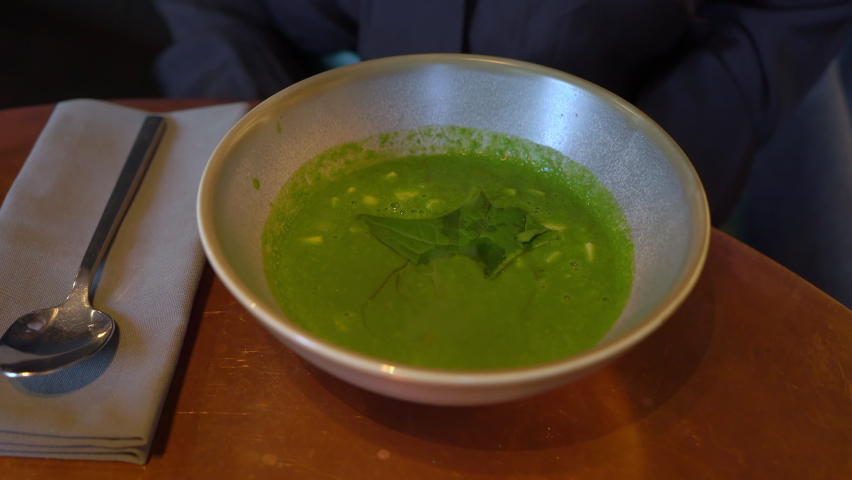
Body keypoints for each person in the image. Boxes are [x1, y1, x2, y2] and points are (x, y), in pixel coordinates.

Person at [153, 0, 852, 305]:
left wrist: (640, 165)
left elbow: (791, 12)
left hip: (642, 96)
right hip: (322, 84)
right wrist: (268, 145)